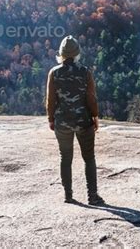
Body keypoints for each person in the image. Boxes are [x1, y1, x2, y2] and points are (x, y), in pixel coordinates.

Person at [46, 35, 104, 205]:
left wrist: (51, 119)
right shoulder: (85, 72)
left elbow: (50, 100)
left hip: (62, 122)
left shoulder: (54, 73)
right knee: (89, 157)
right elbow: (91, 98)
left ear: (61, 54)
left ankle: (68, 195)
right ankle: (92, 196)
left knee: (65, 157)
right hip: (83, 121)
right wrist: (95, 116)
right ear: (77, 53)